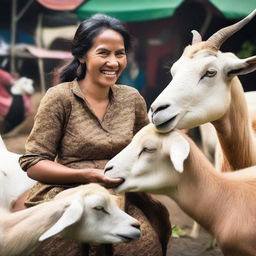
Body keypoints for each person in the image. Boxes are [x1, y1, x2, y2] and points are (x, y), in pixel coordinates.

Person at [19, 14, 171, 256]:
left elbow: (146, 148)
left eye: (119, 53)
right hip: (69, 198)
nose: (113, 62)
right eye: (103, 53)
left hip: (123, 198)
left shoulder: (131, 98)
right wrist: (87, 175)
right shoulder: (60, 98)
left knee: (143, 246)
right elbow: (34, 164)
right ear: (82, 55)